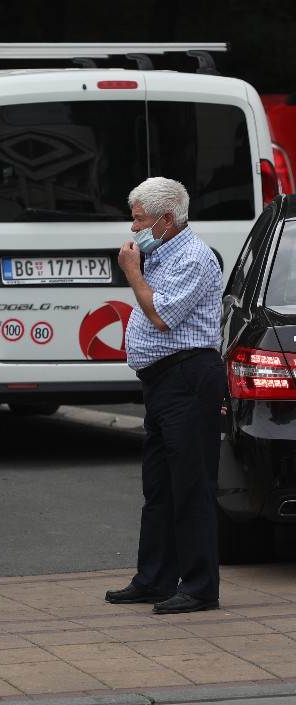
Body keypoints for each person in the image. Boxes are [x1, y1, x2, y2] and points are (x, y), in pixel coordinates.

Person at [106, 177, 226, 614]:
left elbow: (160, 315)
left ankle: (199, 586)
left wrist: (133, 273)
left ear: (167, 220)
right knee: (158, 486)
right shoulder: (161, 252)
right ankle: (154, 577)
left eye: (139, 219)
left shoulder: (193, 256)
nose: (133, 227)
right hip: (161, 382)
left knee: (192, 485)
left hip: (188, 378)